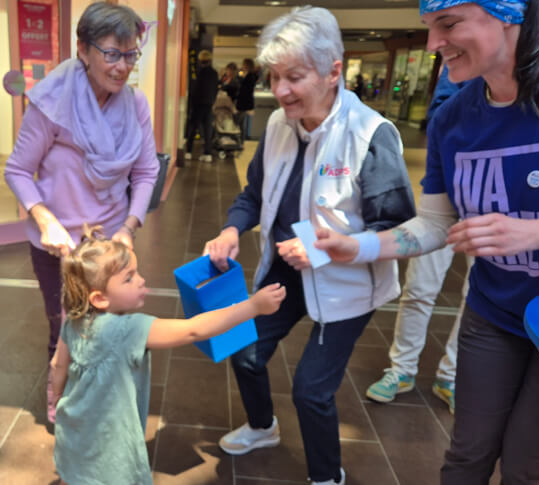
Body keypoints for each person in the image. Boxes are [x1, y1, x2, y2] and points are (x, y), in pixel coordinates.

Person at [314, 1, 539, 482]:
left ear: (510, 14)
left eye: (449, 24)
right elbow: (436, 223)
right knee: (466, 455)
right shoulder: (452, 119)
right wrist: (360, 247)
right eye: (430, 28)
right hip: (494, 313)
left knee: (529, 468)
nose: (434, 44)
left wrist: (535, 232)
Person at [202, 7, 416, 484]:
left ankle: (326, 476)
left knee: (310, 391)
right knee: (244, 350)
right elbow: (254, 194)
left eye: (294, 77)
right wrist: (233, 229)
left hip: (347, 283)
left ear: (333, 72)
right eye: (274, 77)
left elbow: (400, 232)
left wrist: (325, 250)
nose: (280, 91)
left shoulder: (370, 135)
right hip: (286, 269)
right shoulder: (280, 126)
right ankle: (263, 427)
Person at [4, 1, 160, 423]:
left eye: (130, 55)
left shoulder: (135, 104)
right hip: (57, 244)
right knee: (66, 328)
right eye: (111, 54)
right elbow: (17, 170)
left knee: (108, 326)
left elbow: (146, 171)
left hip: (108, 243)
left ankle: (103, 402)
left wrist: (129, 226)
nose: (122, 67)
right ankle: (63, 405)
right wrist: (45, 219)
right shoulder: (52, 103)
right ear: (83, 50)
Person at [51, 228, 286, 485]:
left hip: (73, 427)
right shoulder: (129, 330)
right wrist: (253, 306)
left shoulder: (72, 321)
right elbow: (193, 329)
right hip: (110, 447)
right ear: (99, 298)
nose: (141, 280)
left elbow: (58, 365)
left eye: (137, 272)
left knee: (75, 473)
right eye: (129, 278)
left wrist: (55, 398)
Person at [366, 66, 470, 414]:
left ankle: (451, 376)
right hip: (446, 192)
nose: (439, 43)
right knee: (419, 287)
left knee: (476, 297)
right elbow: (440, 114)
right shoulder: (458, 67)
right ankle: (402, 369)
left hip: (496, 206)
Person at [184, 50, 218, 162]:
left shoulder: (199, 73)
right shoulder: (214, 73)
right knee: (207, 130)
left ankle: (188, 152)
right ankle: (207, 153)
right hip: (209, 104)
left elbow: (195, 90)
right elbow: (215, 89)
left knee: (193, 128)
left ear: (200, 60)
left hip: (198, 104)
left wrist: (191, 105)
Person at [236, 58, 258, 142]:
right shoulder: (251, 75)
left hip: (244, 102)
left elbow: (245, 89)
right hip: (245, 102)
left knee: (240, 122)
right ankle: (241, 140)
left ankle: (240, 140)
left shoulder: (250, 76)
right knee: (241, 122)